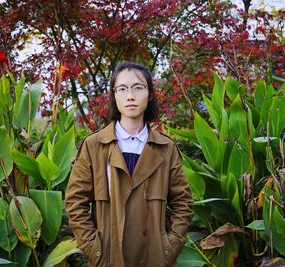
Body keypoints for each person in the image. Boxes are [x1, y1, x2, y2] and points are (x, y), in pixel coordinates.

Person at [65, 62, 193, 267]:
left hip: (153, 259)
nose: (130, 96)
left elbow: (183, 203)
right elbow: (75, 203)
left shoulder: (165, 148)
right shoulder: (94, 146)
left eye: (138, 88)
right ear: (114, 95)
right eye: (122, 89)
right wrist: (94, 251)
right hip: (108, 258)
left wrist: (167, 249)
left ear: (150, 94)